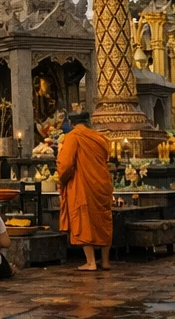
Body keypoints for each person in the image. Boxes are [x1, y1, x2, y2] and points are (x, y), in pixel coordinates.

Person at [56, 112, 113, 271]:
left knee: (84, 218)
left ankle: (91, 262)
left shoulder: (73, 136)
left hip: (83, 183)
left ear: (71, 123)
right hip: (102, 183)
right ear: (88, 122)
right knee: (103, 219)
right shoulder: (100, 137)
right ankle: (106, 261)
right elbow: (105, 158)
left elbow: (66, 164)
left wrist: (62, 178)